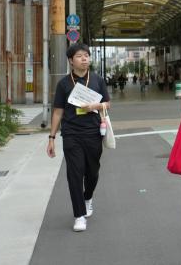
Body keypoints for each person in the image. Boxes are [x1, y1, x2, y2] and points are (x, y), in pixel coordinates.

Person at [46, 43, 111, 232]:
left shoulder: (97, 80)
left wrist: (96, 106)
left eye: (87, 55)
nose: (84, 59)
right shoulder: (64, 84)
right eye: (80, 56)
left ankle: (88, 196)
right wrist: (51, 137)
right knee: (74, 174)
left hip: (93, 133)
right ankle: (79, 215)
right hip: (71, 134)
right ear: (70, 61)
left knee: (92, 172)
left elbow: (108, 103)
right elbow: (58, 112)